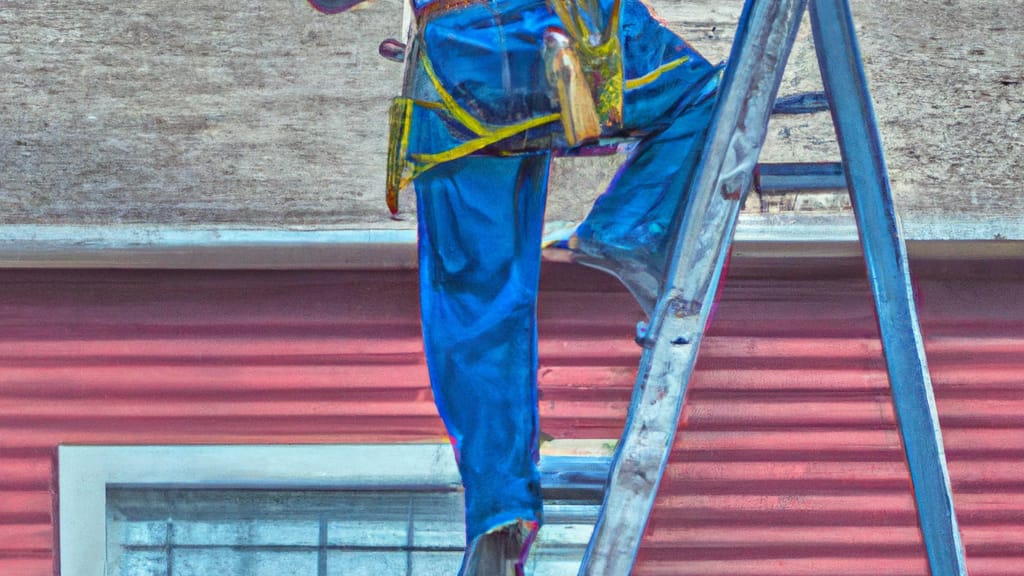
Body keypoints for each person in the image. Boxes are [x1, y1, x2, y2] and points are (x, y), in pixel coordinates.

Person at [309, 0, 720, 573]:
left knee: (476, 310)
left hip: (456, 80)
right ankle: (629, 226)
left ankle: (497, 519)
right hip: (558, 38)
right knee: (709, 101)